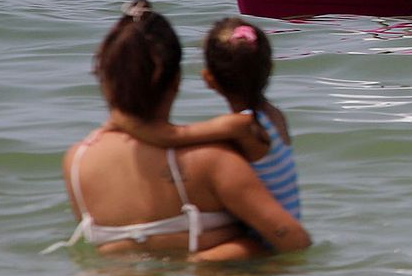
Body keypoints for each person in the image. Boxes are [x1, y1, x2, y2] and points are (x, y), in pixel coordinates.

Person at [49, 0, 311, 260]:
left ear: (104, 77)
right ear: (176, 80)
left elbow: (172, 135)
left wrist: (124, 123)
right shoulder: (214, 159)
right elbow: (291, 238)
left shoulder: (76, 162)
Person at [108, 17, 301, 222]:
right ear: (269, 68)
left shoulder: (242, 124)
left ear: (209, 79)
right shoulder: (274, 116)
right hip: (287, 221)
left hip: (270, 234)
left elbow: (172, 136)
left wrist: (124, 121)